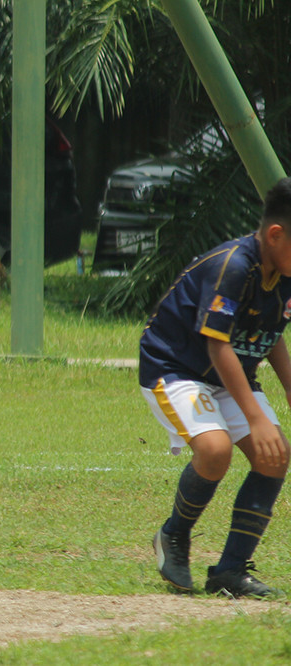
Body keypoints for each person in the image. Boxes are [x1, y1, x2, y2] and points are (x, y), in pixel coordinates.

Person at [141, 176, 291, 598]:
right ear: (276, 234)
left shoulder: (284, 269)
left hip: (230, 373)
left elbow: (273, 331)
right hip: (174, 368)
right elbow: (216, 342)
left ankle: (230, 570)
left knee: (275, 457)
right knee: (215, 450)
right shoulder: (234, 266)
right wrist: (257, 418)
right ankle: (173, 535)